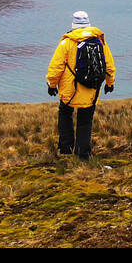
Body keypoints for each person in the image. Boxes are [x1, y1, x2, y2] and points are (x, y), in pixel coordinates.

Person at [46, 11, 116, 160]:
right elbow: (109, 66)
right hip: (91, 88)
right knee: (85, 120)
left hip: (70, 89)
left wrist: (51, 85)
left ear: (73, 24)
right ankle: (83, 154)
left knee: (65, 113)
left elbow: (56, 67)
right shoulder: (100, 42)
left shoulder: (66, 43)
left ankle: (66, 148)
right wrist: (110, 83)